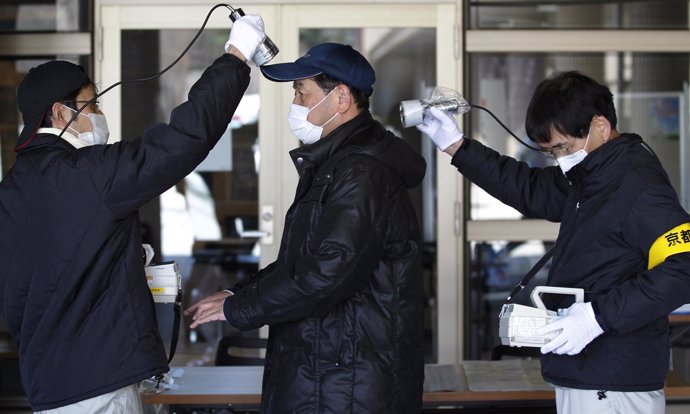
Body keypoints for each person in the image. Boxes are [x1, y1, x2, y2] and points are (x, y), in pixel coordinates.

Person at [0, 13, 266, 413]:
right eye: (92, 103)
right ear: (58, 113)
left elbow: (34, 280)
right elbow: (182, 140)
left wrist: (119, 257)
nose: (99, 113)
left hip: (49, 386)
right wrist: (235, 56)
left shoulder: (13, 188)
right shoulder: (87, 173)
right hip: (99, 387)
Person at [418, 71, 690, 414]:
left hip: (611, 380)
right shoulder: (592, 176)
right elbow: (530, 189)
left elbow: (684, 268)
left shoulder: (637, 185)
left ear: (600, 128)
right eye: (550, 152)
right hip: (589, 372)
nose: (560, 159)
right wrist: (458, 146)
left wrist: (597, 318)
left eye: (563, 147)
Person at [185, 42, 427, 414]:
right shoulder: (338, 164)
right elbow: (301, 262)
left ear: (341, 98)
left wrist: (242, 309)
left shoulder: (362, 172)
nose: (295, 103)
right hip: (329, 373)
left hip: (343, 384)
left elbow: (328, 272)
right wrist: (238, 293)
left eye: (302, 92)